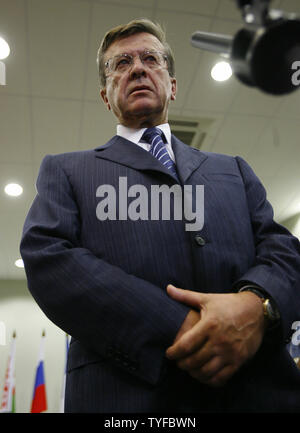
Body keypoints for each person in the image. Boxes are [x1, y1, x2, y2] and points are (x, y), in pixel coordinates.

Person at [20, 18, 300, 413]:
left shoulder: (233, 168)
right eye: (120, 63)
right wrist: (180, 328)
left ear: (172, 84)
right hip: (128, 398)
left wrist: (257, 306)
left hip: (259, 394)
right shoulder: (66, 170)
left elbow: (283, 250)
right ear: (105, 96)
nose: (137, 68)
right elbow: (48, 258)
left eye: (150, 58)